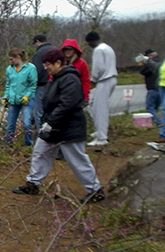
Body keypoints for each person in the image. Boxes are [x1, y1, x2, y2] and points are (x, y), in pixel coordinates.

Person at [12, 49, 105, 204]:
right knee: (40, 153)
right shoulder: (55, 79)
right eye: (44, 64)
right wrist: (46, 123)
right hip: (53, 128)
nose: (46, 67)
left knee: (77, 159)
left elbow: (66, 104)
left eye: (48, 64)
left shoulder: (70, 79)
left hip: (69, 128)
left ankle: (95, 190)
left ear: (58, 63)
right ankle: (33, 184)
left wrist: (51, 122)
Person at [84, 32, 118, 147]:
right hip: (111, 78)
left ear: (91, 41)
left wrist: (93, 79)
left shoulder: (98, 50)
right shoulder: (108, 48)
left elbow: (99, 68)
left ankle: (102, 137)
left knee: (100, 109)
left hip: (104, 80)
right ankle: (99, 130)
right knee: (93, 104)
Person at [3, 48, 38, 146]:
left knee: (27, 124)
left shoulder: (30, 68)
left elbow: (33, 84)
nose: (10, 61)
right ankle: (9, 143)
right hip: (13, 100)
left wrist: (27, 96)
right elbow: (8, 84)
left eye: (11, 59)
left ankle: (28, 144)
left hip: (26, 100)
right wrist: (6, 96)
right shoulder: (10, 69)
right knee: (10, 124)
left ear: (18, 57)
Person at [31, 34, 54, 124]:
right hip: (55, 84)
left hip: (42, 85)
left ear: (37, 41)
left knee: (39, 112)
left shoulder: (39, 53)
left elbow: (36, 71)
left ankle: (41, 135)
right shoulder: (56, 50)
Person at [135, 48, 161, 124]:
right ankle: (153, 122)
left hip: (152, 88)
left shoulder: (152, 65)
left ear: (150, 56)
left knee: (150, 108)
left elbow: (143, 71)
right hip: (160, 88)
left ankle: (160, 123)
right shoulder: (160, 62)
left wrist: (141, 63)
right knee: (155, 108)